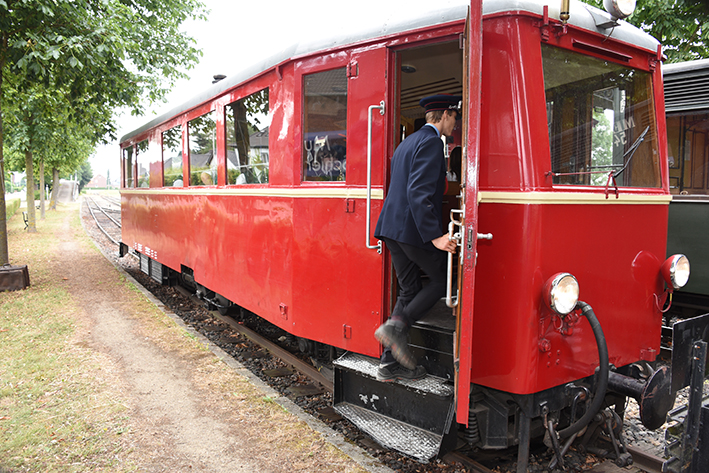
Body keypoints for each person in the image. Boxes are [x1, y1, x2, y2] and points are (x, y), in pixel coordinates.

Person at [373, 94, 460, 382]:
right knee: (442, 279)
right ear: (445, 114)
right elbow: (418, 192)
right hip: (411, 230)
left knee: (409, 290)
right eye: (455, 117)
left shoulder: (407, 142)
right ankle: (397, 326)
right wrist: (435, 236)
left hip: (393, 228)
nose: (455, 123)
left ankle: (389, 362)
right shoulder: (433, 143)